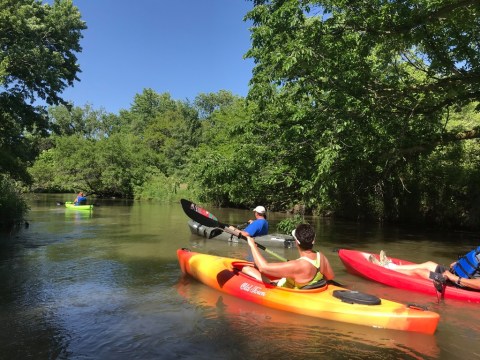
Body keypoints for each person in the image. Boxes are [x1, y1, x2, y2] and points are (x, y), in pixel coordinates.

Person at [242, 223, 335, 289]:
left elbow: (263, 268)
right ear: (313, 240)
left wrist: (253, 246)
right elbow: (330, 277)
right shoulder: (321, 256)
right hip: (303, 287)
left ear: (296, 242)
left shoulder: (296, 265)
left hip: (281, 288)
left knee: (247, 269)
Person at [370, 249, 480, 291]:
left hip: (461, 284)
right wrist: (458, 264)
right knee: (428, 264)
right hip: (456, 274)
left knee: (419, 272)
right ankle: (390, 266)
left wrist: (454, 278)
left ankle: (386, 270)